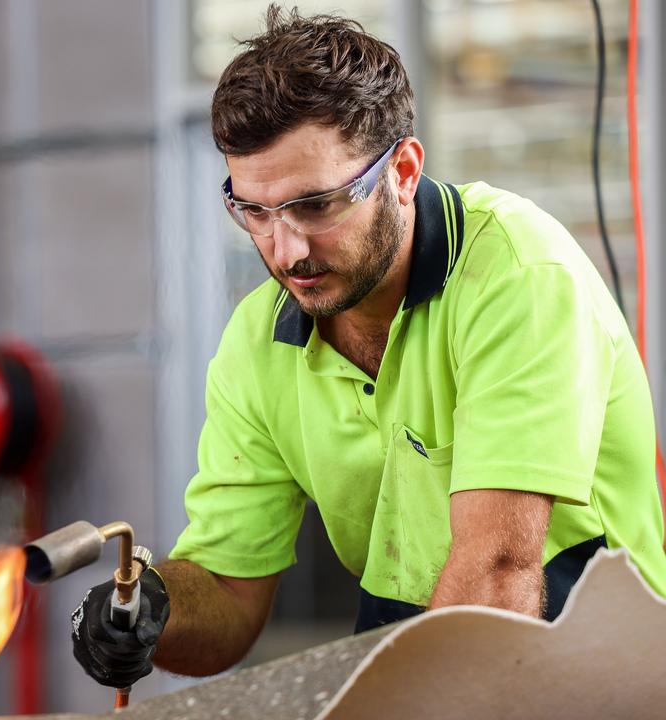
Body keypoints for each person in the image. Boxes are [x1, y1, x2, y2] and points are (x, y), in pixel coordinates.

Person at [71, 5, 666, 689]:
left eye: (318, 205)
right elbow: (230, 594)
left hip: (605, 672)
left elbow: (501, 576)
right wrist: (151, 610)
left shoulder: (517, 276)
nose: (286, 250)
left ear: (404, 171)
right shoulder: (258, 346)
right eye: (254, 210)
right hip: (415, 654)